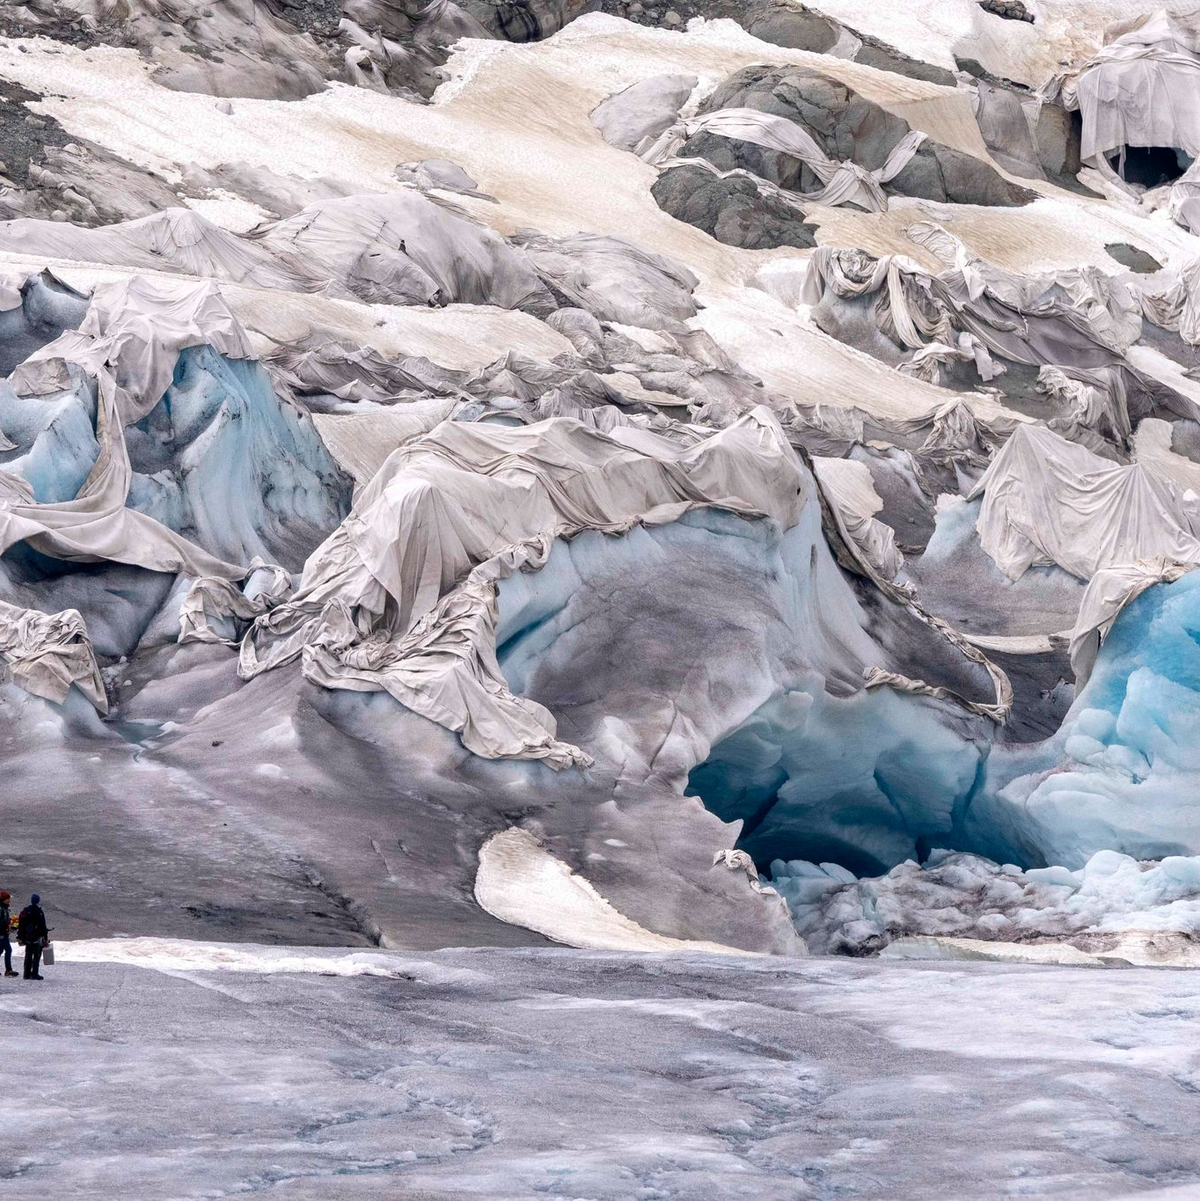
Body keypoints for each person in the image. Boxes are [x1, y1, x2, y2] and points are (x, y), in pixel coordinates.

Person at [17, 895, 48, 981]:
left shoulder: (26, 911)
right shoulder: (39, 912)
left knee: (28, 955)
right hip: (36, 938)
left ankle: (26, 974)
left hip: (27, 937)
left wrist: (21, 936)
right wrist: (45, 938)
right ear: (38, 901)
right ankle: (34, 974)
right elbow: (43, 926)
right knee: (36, 956)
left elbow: (21, 924)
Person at [0, 891, 14, 977]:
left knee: (1, 950)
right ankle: (8, 970)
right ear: (4, 899)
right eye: (8, 899)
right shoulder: (1, 908)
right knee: (8, 950)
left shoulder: (4, 908)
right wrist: (6, 928)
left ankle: (8, 970)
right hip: (2, 934)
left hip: (3, 933)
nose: (9, 900)